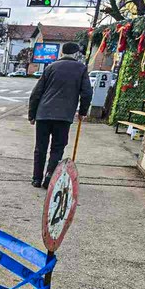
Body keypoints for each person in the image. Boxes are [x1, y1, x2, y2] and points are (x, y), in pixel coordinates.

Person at [27, 41, 92, 188]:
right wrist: (82, 112)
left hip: (43, 114)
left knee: (40, 147)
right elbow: (87, 93)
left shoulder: (51, 67)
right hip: (64, 116)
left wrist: (32, 114)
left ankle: (36, 178)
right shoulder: (81, 69)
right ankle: (50, 176)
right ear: (76, 54)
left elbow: (36, 93)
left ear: (62, 52)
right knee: (57, 148)